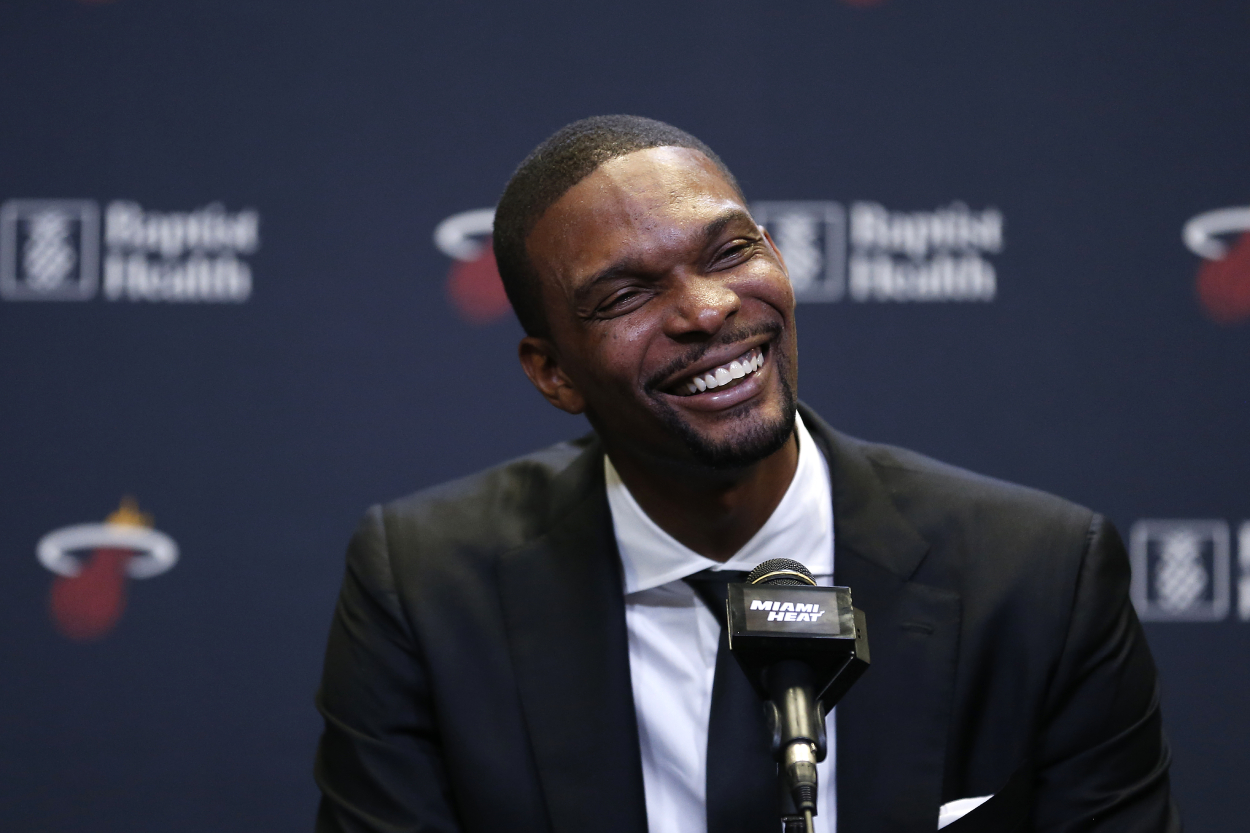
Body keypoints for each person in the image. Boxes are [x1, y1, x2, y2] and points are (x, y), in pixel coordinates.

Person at [313, 116, 1180, 833]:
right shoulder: (425, 585)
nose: (707, 309)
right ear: (553, 373)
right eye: (624, 297)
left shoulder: (1038, 576)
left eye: (729, 253)